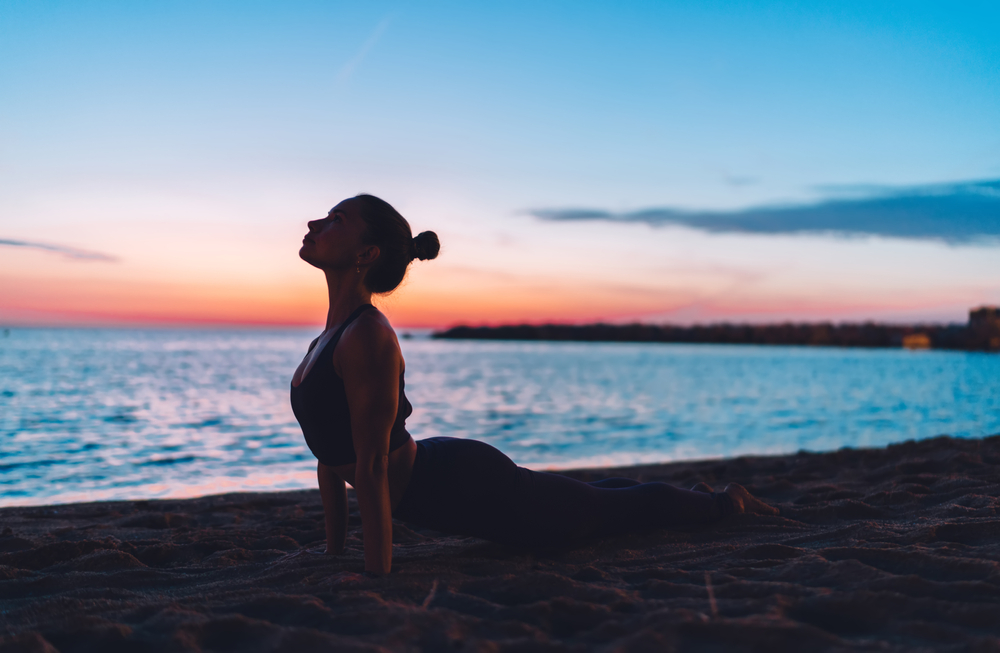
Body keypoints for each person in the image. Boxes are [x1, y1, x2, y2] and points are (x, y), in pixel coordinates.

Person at [290, 194, 778, 576]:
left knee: (597, 512)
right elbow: (329, 456)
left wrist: (377, 577)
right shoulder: (328, 339)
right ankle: (687, 494)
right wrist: (335, 554)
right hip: (442, 473)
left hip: (464, 486)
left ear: (366, 253)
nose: (315, 224)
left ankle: (724, 502)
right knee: (588, 498)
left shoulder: (368, 338)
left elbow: (371, 467)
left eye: (335, 219)